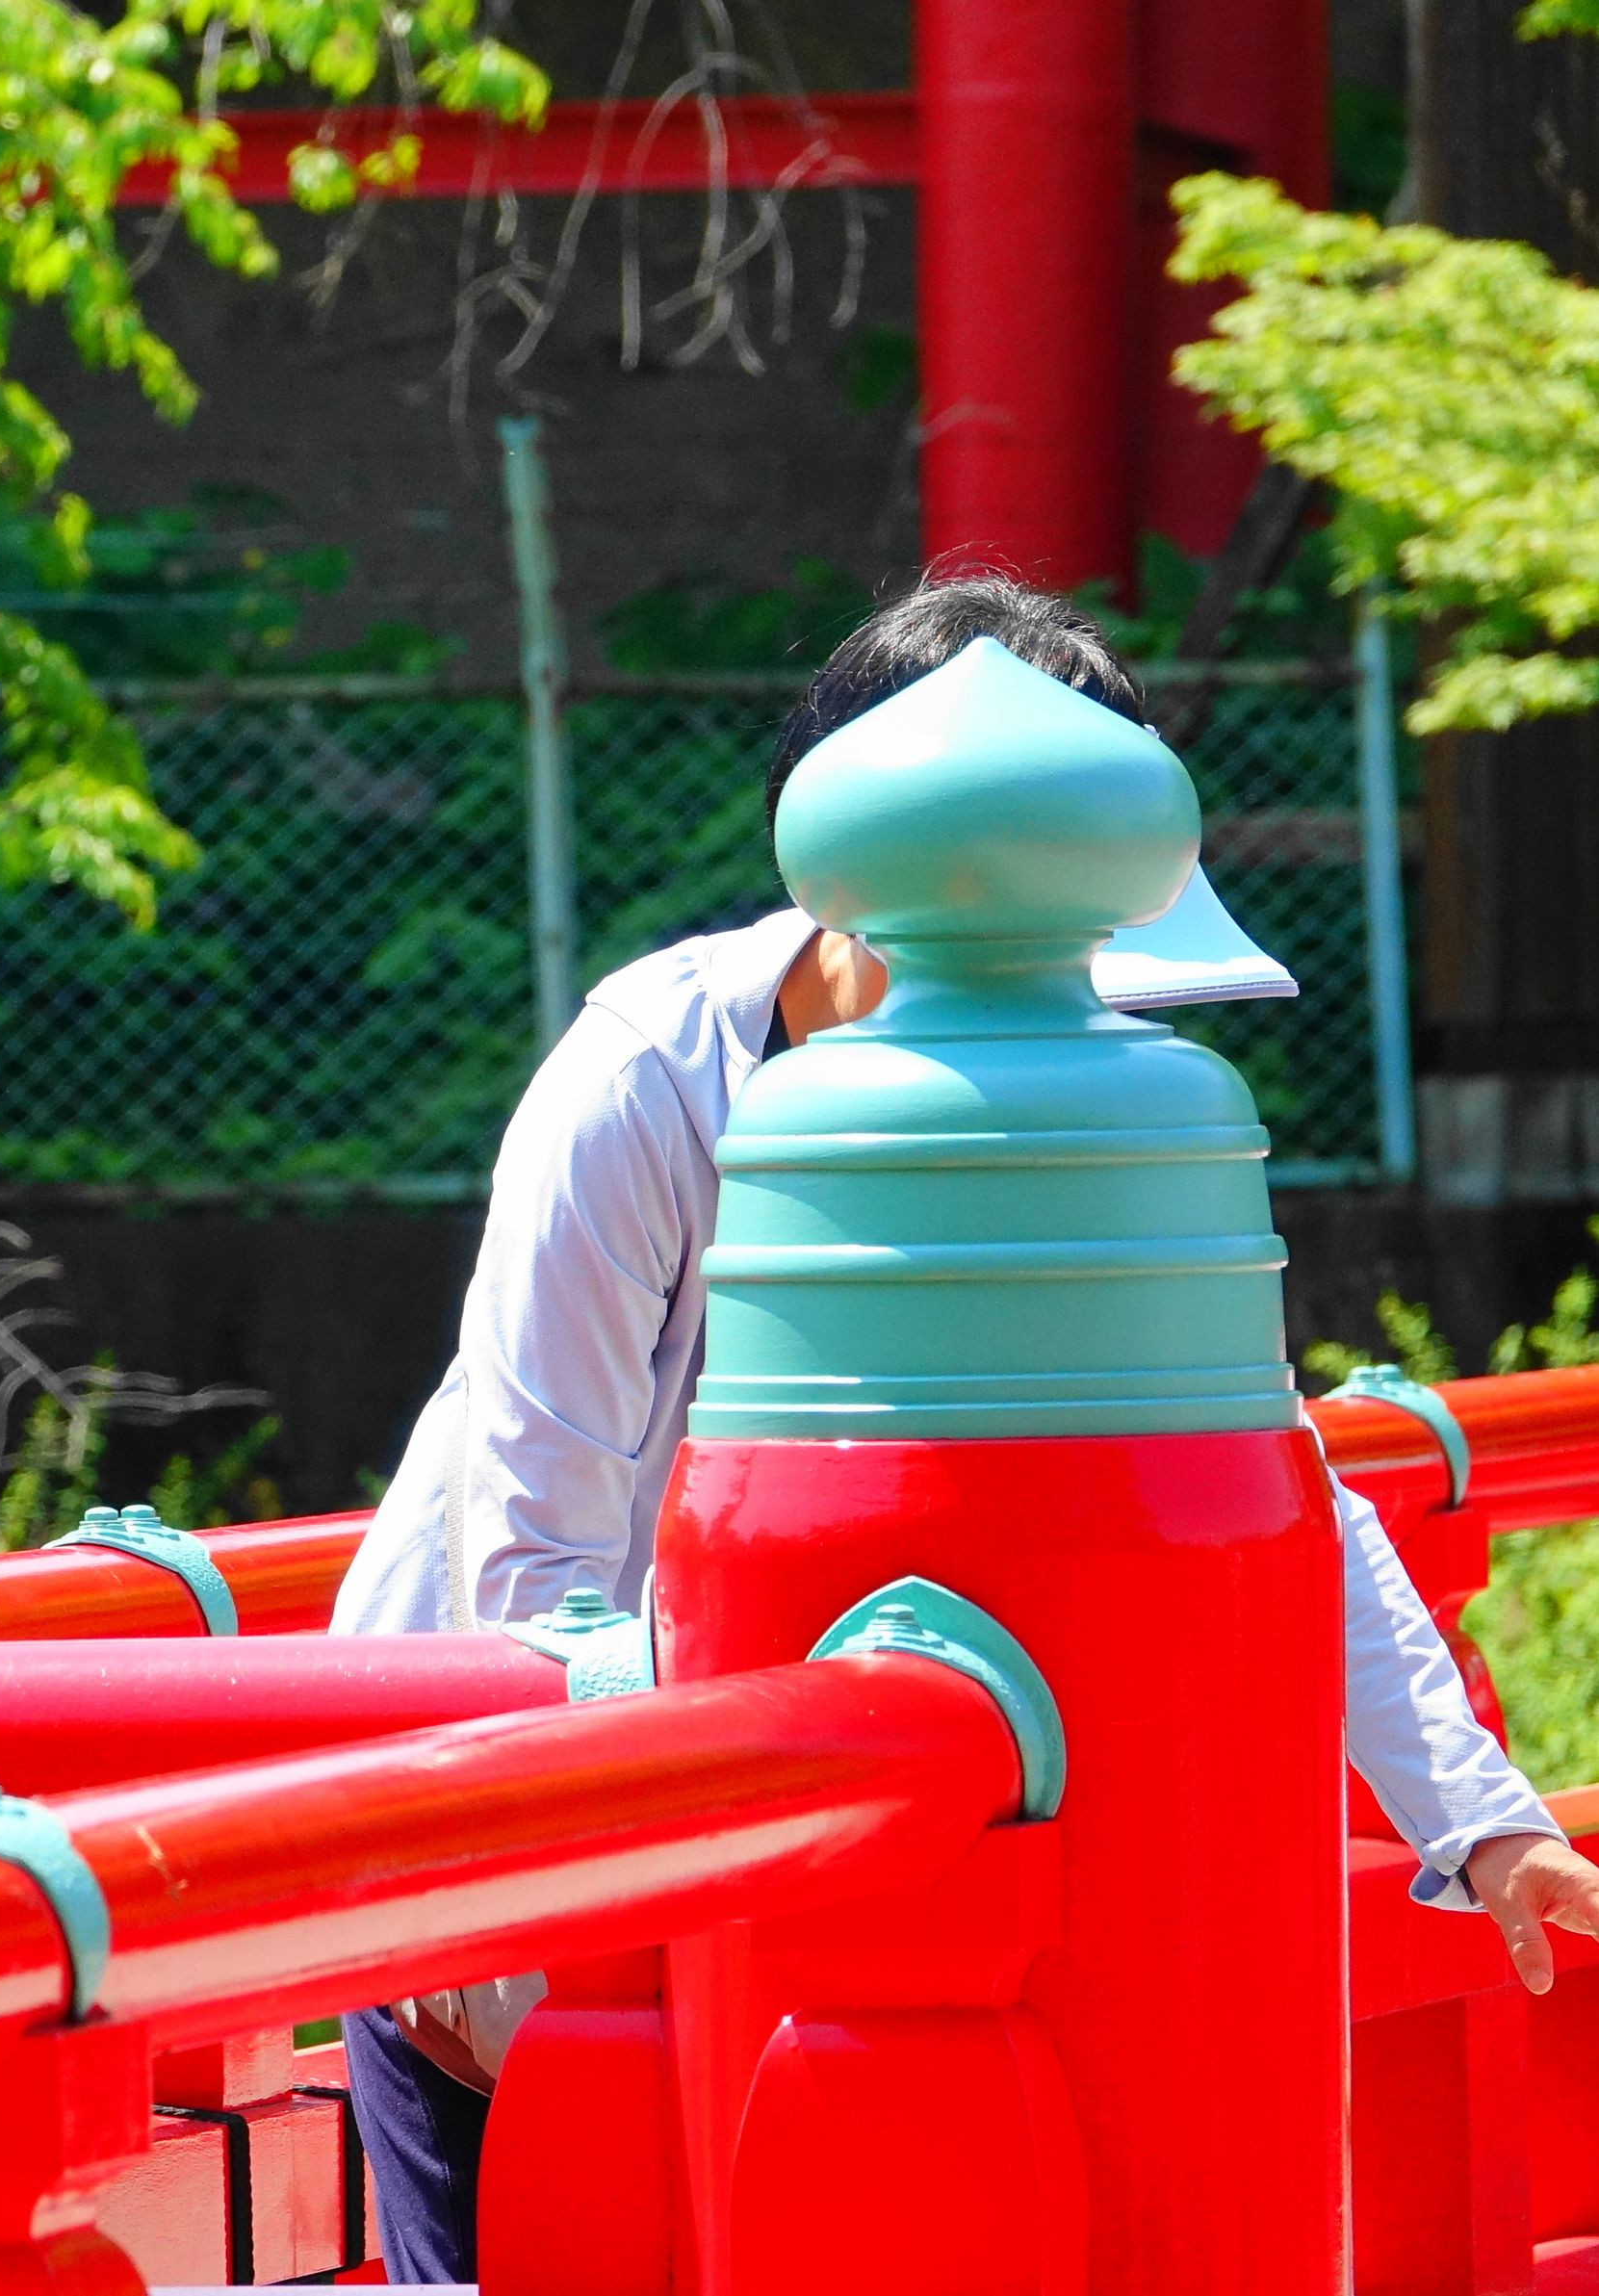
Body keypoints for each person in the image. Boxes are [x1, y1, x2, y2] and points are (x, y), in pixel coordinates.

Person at [322, 577, 1599, 2287]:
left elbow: (1267, 1486)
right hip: (567, 1842)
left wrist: (1484, 1821)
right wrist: (651, 1850)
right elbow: (534, 1569)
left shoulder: (1088, 1090)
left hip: (872, 1837)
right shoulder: (644, 1082)